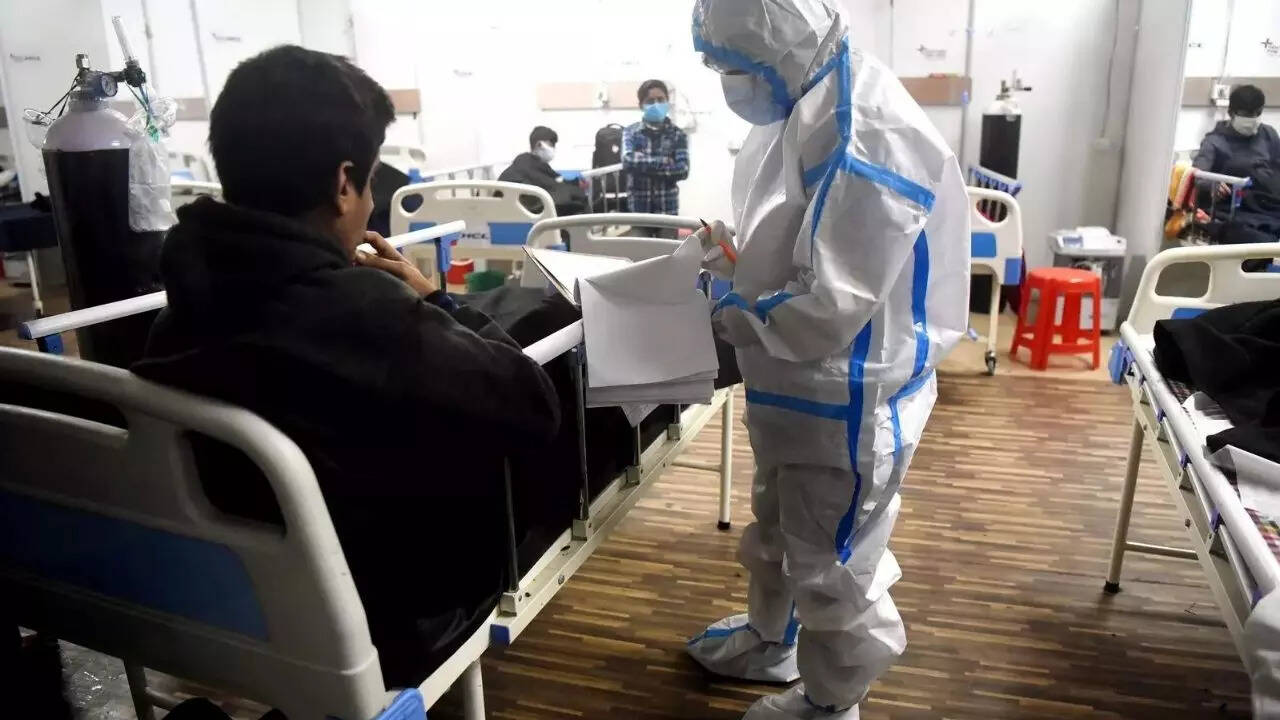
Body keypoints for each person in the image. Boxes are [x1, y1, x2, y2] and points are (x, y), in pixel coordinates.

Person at [131, 46, 560, 686]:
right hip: (391, 601)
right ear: (342, 185)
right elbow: (532, 402)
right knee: (555, 366)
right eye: (370, 182)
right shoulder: (371, 318)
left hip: (238, 585)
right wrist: (434, 301)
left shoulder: (180, 309)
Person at [686, 1, 970, 718]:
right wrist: (733, 260)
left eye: (731, 65)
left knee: (832, 562)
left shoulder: (866, 130)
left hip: (846, 394)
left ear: (778, 45)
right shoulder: (802, 100)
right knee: (777, 525)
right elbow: (793, 237)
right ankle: (770, 640)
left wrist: (730, 315)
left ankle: (832, 703)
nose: (725, 79)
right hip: (792, 381)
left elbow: (832, 302)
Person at [622, 79, 689, 237]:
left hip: (668, 211)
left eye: (660, 99)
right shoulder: (631, 132)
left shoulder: (678, 135)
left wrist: (642, 164)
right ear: (641, 105)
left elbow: (682, 170)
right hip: (638, 211)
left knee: (668, 252)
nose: (656, 104)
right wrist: (664, 162)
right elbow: (628, 161)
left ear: (667, 102)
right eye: (650, 101)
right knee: (639, 251)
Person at [1193, 84, 1280, 180]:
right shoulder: (1214, 142)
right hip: (1230, 187)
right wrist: (1216, 185)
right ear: (1231, 113)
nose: (1254, 118)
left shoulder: (1268, 134)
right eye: (1247, 114)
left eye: (1258, 113)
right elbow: (1198, 177)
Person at [498, 125, 588, 215]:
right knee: (578, 199)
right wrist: (578, 191)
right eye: (551, 145)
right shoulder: (528, 166)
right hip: (525, 213)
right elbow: (552, 186)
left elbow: (551, 182)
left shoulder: (528, 164)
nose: (553, 149)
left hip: (507, 213)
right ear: (539, 145)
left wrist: (575, 183)